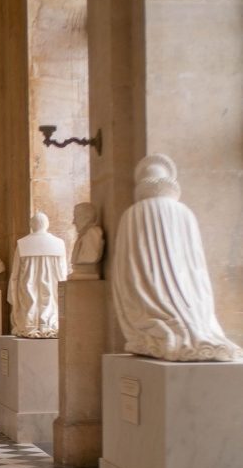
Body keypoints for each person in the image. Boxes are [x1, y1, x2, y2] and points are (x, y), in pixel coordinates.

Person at [112, 153, 242, 361]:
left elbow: (126, 268)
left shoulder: (132, 214)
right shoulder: (185, 213)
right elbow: (196, 266)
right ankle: (192, 323)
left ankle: (178, 326)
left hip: (146, 297)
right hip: (191, 300)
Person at [7, 211, 68, 338]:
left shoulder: (23, 243)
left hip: (28, 284)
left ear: (31, 225)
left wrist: (12, 291)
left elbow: (16, 272)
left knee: (30, 301)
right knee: (50, 300)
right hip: (52, 284)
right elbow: (63, 272)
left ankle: (30, 325)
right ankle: (49, 325)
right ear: (47, 224)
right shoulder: (59, 243)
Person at [70, 202, 104, 279]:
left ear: (87, 218)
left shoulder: (93, 235)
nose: (73, 222)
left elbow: (91, 256)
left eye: (76, 217)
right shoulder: (83, 236)